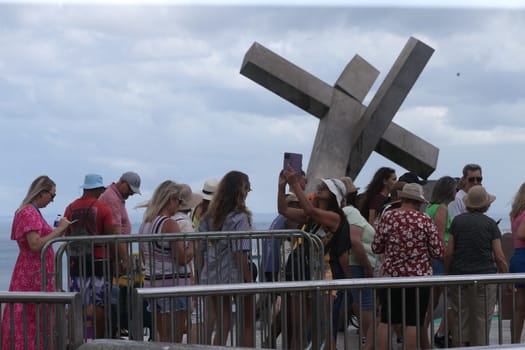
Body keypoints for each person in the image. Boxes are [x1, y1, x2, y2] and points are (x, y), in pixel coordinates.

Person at [279, 171, 351, 350]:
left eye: (325, 187)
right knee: (299, 328)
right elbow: (283, 210)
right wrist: (281, 187)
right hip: (303, 271)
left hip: (324, 273)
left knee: (324, 329)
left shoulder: (335, 217)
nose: (320, 188)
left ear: (334, 196)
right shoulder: (310, 216)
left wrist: (294, 184)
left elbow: (310, 210)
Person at [1, 175, 72, 349]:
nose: (52, 200)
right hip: (32, 277)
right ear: (41, 192)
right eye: (52, 195)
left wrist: (58, 232)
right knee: (29, 319)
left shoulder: (31, 212)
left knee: (36, 319)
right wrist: (60, 230)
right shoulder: (28, 212)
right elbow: (35, 244)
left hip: (36, 275)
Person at [372, 183, 443, 350]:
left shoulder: (388, 217)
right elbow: (437, 251)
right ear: (418, 202)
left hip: (391, 276)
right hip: (418, 278)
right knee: (413, 321)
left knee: (386, 320)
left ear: (402, 198)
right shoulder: (424, 220)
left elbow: (376, 247)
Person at [445, 185, 508, 346]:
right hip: (484, 280)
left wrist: (447, 274)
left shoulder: (457, 222)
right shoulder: (490, 224)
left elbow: (449, 252)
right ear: (485, 205)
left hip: (459, 278)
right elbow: (499, 257)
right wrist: (506, 279)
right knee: (481, 322)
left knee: (460, 322)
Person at [138, 180, 199, 342]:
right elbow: (181, 259)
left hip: (153, 284)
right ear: (170, 199)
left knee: (162, 335)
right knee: (175, 337)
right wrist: (192, 246)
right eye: (179, 201)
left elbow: (144, 256)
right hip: (172, 286)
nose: (179, 205)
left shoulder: (145, 224)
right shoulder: (169, 224)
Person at [199, 171, 255, 347]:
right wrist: (249, 279)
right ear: (240, 191)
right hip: (232, 274)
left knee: (220, 319)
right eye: (247, 188)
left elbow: (200, 248)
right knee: (245, 321)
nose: (248, 192)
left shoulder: (208, 216)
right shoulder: (240, 218)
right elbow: (240, 252)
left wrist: (201, 274)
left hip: (212, 272)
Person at [63, 174, 114, 339]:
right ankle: (98, 341)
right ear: (98, 189)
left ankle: (77, 339)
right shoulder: (104, 209)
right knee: (99, 303)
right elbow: (110, 236)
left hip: (77, 261)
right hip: (100, 261)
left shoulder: (69, 208)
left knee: (77, 302)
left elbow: (66, 234)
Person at [98, 171, 141, 337]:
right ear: (122, 182)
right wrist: (124, 259)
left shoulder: (117, 198)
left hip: (112, 253)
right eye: (130, 189)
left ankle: (113, 331)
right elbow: (116, 233)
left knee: (113, 295)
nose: (131, 193)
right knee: (109, 298)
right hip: (111, 253)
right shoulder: (112, 198)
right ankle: (110, 333)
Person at [421, 176, 457, 348]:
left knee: (433, 303)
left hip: (432, 259)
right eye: (455, 188)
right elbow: (440, 238)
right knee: (448, 302)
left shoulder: (430, 208)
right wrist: (447, 261)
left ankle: (424, 337)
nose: (456, 191)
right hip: (440, 261)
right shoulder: (442, 209)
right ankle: (427, 336)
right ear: (449, 190)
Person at [340, 176, 376, 349]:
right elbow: (355, 241)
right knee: (367, 302)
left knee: (359, 300)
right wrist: (367, 266)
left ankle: (365, 337)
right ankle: (370, 340)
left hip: (353, 263)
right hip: (361, 263)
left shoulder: (342, 213)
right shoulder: (351, 212)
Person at [189, 177, 219, 344]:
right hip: (204, 263)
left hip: (197, 261)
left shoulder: (196, 210)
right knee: (204, 313)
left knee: (200, 312)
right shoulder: (210, 216)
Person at [510, 182, 525, 343]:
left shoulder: (515, 213)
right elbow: (522, 234)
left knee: (520, 307)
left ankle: (515, 341)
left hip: (517, 256)